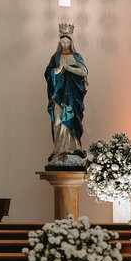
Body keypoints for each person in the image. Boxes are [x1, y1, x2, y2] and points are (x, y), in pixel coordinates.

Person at [45, 23, 88, 164]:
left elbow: (84, 72)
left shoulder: (76, 56)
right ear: (60, 42)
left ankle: (72, 147)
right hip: (58, 95)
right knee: (58, 120)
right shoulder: (56, 57)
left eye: (67, 41)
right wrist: (56, 71)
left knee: (71, 120)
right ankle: (59, 148)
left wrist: (69, 68)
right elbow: (48, 73)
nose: (65, 44)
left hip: (72, 97)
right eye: (62, 41)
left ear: (71, 42)